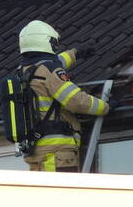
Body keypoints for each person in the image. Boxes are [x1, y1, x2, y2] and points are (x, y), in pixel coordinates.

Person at [18, 20, 109, 172]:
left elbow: (54, 63)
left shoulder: (24, 70)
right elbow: (77, 102)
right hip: (58, 152)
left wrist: (75, 53)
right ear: (47, 42)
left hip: (36, 150)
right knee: (64, 194)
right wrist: (105, 105)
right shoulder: (50, 70)